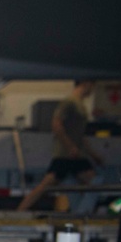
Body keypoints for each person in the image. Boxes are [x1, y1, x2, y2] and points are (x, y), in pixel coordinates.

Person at [16, 79, 104, 211]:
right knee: (46, 186)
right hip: (66, 155)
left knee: (91, 183)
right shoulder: (69, 103)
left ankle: (82, 212)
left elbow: (80, 135)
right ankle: (20, 211)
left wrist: (92, 154)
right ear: (86, 84)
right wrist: (70, 147)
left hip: (76, 155)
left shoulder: (80, 105)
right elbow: (56, 125)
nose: (92, 91)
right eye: (92, 87)